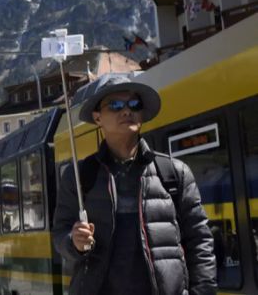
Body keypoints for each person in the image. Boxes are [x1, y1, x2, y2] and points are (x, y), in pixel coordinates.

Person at [51, 75, 216, 294]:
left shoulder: (174, 173)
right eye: (116, 105)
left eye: (134, 104)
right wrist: (75, 242)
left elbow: (200, 240)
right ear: (97, 117)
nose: (126, 110)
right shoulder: (79, 176)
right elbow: (60, 234)